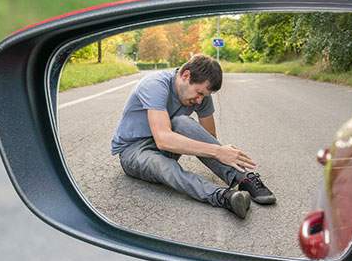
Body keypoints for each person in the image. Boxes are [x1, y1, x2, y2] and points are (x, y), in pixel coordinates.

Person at [111, 54, 276, 219]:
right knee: (164, 165)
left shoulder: (201, 96)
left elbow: (208, 137)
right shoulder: (155, 84)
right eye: (198, 93)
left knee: (182, 122)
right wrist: (218, 151)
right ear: (186, 75)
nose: (199, 101)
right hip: (133, 151)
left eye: (203, 95)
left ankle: (243, 179)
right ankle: (223, 197)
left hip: (164, 146)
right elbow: (162, 139)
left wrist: (221, 153)